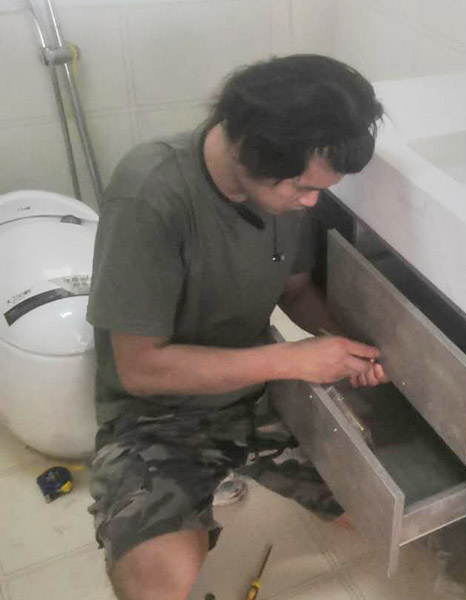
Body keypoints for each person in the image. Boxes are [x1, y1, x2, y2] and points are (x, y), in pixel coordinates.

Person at [86, 55, 386, 600]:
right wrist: (290, 360)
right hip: (158, 416)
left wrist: (347, 348)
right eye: (302, 187)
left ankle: (241, 466)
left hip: (260, 393)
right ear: (249, 149)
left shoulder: (290, 192)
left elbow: (296, 291)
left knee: (374, 507)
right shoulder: (151, 193)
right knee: (159, 583)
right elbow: (140, 369)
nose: (312, 202)